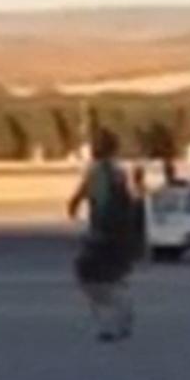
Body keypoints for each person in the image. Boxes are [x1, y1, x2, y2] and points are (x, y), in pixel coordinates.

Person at [67, 129, 137, 343]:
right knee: (107, 279)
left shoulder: (99, 172)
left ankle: (112, 321)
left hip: (103, 233)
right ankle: (119, 316)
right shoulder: (116, 172)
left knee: (91, 278)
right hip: (115, 234)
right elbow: (127, 202)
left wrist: (74, 208)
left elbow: (85, 197)